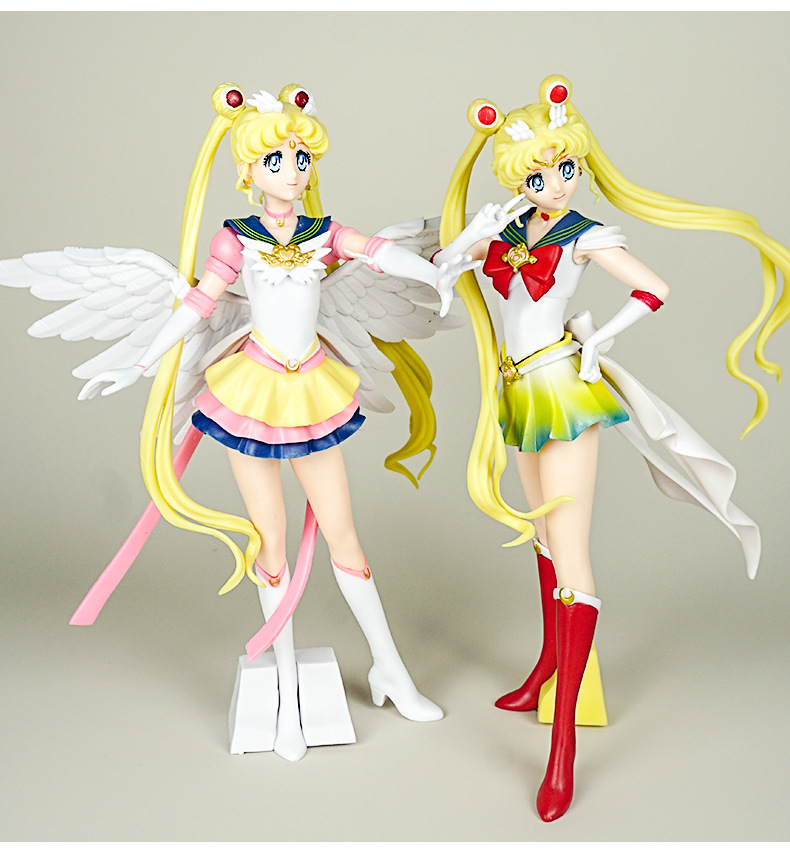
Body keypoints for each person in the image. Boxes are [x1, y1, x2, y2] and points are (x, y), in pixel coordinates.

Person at [18, 83, 474, 762]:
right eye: (276, 160)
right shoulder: (237, 237)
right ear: (248, 170)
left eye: (301, 158)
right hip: (252, 392)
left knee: (346, 537)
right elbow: (200, 303)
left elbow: (379, 252)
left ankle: (392, 671)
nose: (292, 171)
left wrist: (434, 273)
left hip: (312, 387)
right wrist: (139, 361)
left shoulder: (324, 233)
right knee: (272, 542)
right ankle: (286, 690)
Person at [435, 75, 789, 821]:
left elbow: (654, 288)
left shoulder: (583, 234)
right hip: (515, 392)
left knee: (572, 556)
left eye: (566, 168)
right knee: (539, 532)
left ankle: (562, 746)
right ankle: (544, 669)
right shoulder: (507, 231)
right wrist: (470, 236)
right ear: (517, 178)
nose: (557, 184)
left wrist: (601, 339)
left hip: (563, 391)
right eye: (540, 174)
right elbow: (441, 276)